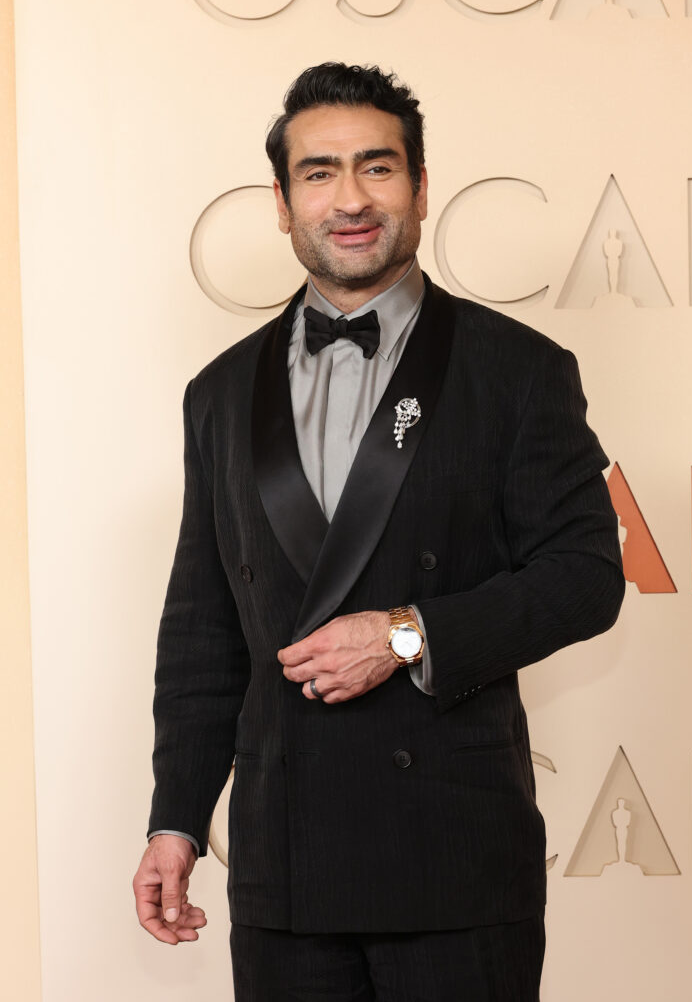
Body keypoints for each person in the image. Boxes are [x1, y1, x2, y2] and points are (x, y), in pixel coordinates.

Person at [133, 62, 625, 1001]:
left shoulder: (516, 371)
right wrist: (177, 821)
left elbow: (584, 576)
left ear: (421, 187)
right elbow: (202, 629)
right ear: (282, 203)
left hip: (454, 862)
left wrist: (405, 634)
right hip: (285, 866)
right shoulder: (219, 392)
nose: (349, 199)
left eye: (377, 167)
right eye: (318, 174)